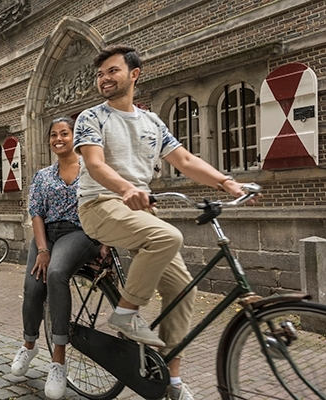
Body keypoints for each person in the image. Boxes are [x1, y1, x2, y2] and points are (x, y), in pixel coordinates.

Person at [73, 45, 250, 400]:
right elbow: (94, 165)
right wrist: (125, 188)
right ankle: (125, 313)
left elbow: (184, 159)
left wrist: (227, 183)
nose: (104, 79)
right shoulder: (91, 118)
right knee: (168, 236)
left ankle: (170, 379)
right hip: (100, 203)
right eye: (100, 74)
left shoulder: (152, 122)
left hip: (138, 209)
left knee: (184, 290)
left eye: (112, 71)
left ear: (134, 74)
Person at [10, 117, 102, 399]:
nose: (58, 139)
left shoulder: (91, 170)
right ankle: (29, 344)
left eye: (64, 133)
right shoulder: (42, 176)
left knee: (56, 272)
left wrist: (107, 243)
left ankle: (58, 360)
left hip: (79, 233)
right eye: (53, 135)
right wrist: (42, 249)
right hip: (46, 235)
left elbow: (103, 205)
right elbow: (36, 213)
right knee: (33, 286)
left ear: (75, 137)